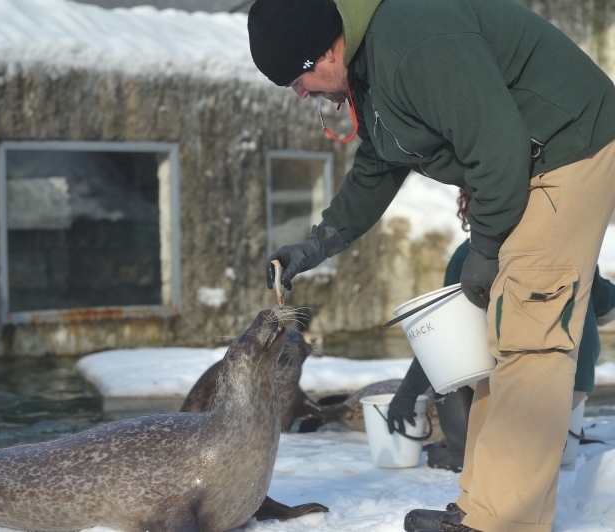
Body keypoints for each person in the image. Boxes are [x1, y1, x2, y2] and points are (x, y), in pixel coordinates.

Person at [247, 0, 615, 530]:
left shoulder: (415, 45)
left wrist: (485, 248)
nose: (300, 92)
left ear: (327, 48)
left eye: (298, 78)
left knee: (531, 334)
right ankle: (482, 504)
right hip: (524, 157)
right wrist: (319, 243)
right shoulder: (367, 66)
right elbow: (378, 160)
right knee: (500, 337)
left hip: (568, 144)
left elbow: (497, 147)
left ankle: (503, 521)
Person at [387, 191, 615, 476]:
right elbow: (607, 306)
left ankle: (462, 450)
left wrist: (406, 395)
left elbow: (444, 340)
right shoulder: (569, 248)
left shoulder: (472, 255)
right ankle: (562, 443)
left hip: (516, 388)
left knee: (447, 369)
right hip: (572, 385)